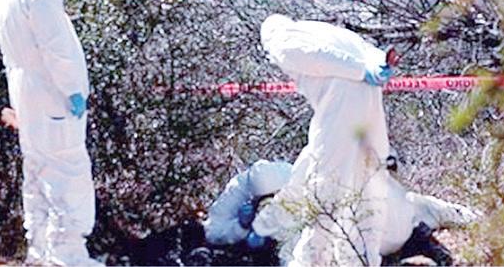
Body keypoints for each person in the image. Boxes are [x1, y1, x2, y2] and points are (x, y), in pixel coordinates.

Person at [250, 14, 398, 266]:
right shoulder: (323, 30)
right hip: (368, 96)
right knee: (368, 177)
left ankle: (311, 260)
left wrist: (359, 70)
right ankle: (363, 257)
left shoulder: (280, 39)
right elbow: (370, 51)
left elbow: (311, 55)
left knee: (326, 184)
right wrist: (376, 65)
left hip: (342, 101)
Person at [0, 0, 98, 266]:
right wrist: (73, 90)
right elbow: (57, 48)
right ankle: (69, 256)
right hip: (53, 96)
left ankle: (39, 252)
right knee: (67, 171)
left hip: (25, 95)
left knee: (37, 171)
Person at [205, 160, 479, 265]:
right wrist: (241, 227)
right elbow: (213, 231)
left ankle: (465, 218)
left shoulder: (306, 188)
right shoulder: (240, 190)